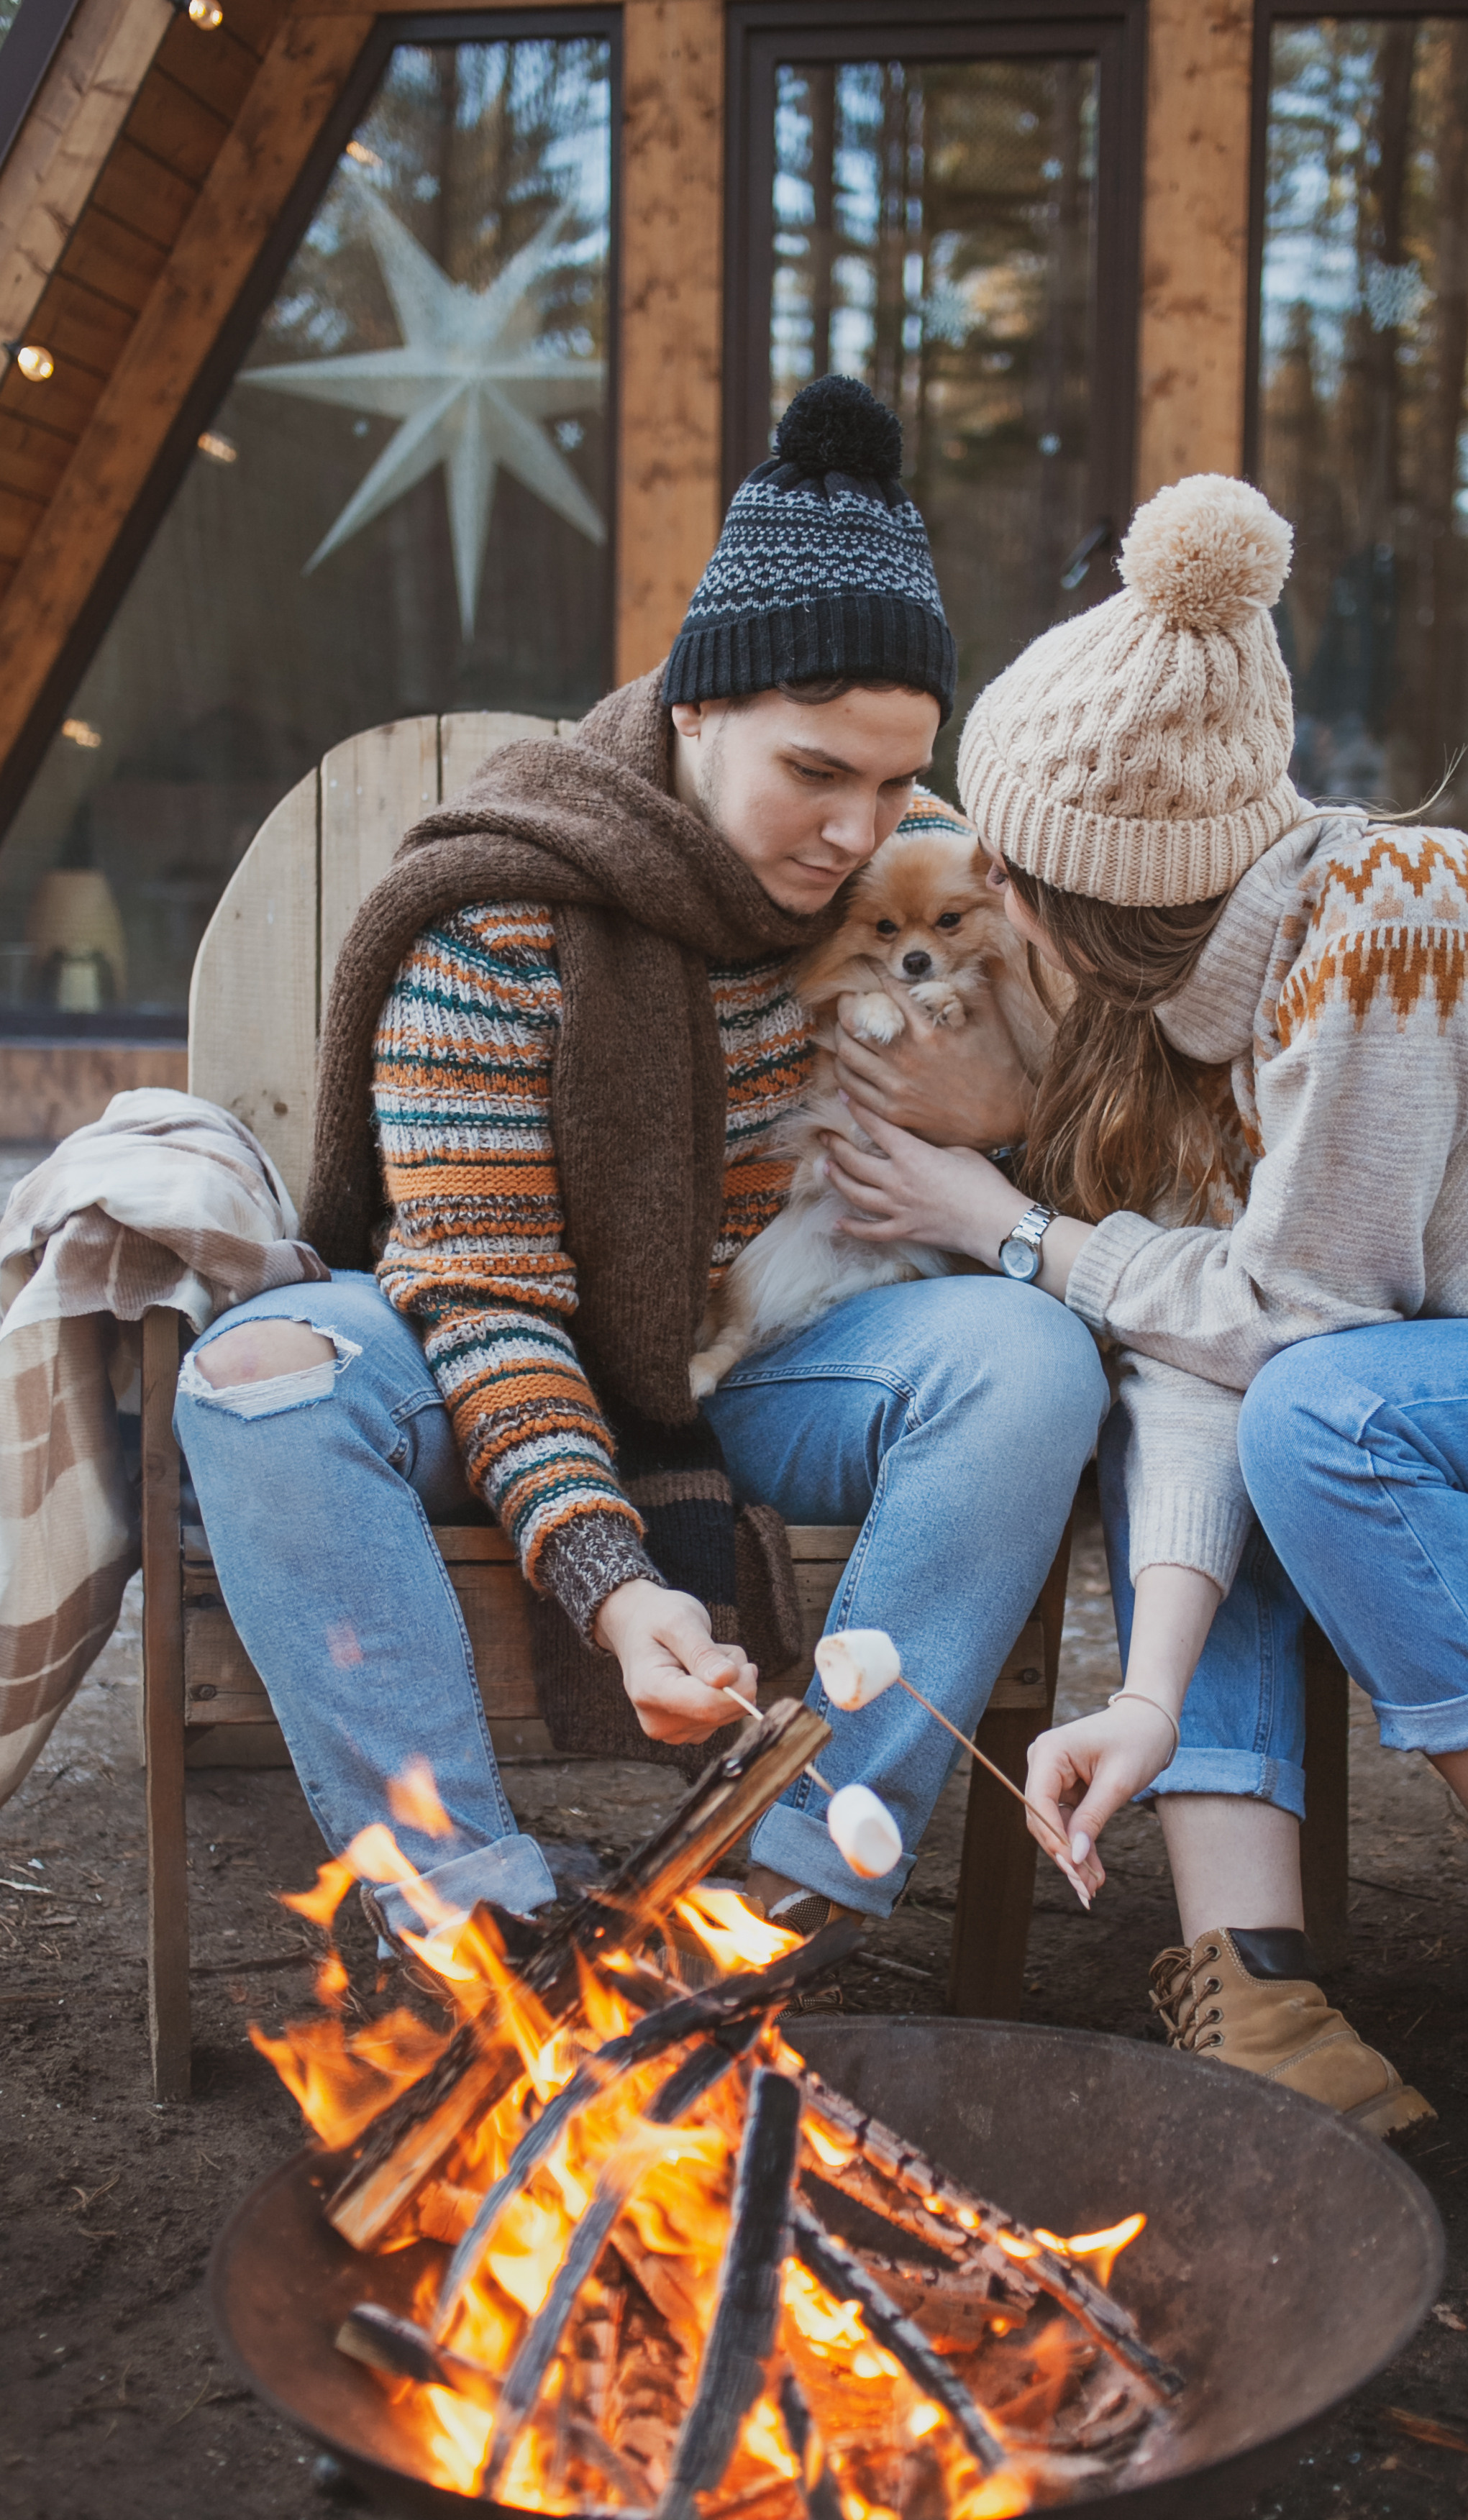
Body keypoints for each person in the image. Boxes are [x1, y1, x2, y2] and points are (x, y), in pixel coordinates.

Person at [819, 470, 1468, 2232]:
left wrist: (1012, 1229)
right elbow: (1201, 1348)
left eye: (1006, 876)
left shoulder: (1386, 925)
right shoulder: (1207, 1005)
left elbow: (1304, 1337)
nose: (984, 905)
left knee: (1322, 1413)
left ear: (1075, 906)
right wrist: (1143, 1697)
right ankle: (1258, 1983)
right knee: (1199, 1364)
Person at [174, 374, 1107, 1954]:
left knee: (1031, 1354)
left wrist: (993, 1127)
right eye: (815, 772)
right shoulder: (499, 914)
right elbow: (479, 1294)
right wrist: (613, 1579)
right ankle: (471, 1924)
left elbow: (1082, 1122)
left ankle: (786, 1883)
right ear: (696, 707)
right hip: (493, 1344)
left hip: (771, 1345)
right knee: (257, 1371)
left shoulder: (916, 883)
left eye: (893, 780)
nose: (856, 827)